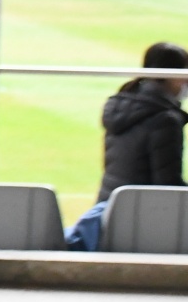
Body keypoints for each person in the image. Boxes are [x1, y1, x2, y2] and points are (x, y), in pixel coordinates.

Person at [67, 42, 188, 251]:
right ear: (172, 75)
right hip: (141, 221)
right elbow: (168, 187)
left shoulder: (122, 107)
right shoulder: (165, 120)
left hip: (106, 215)